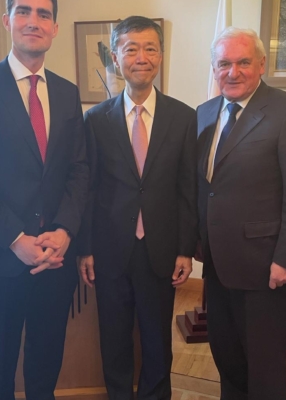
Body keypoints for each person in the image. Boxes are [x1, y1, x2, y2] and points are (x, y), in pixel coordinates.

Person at [0, 0, 88, 399]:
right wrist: (16, 239)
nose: (34, 21)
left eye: (44, 14)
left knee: (46, 364)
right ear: (7, 21)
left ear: (55, 28)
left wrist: (64, 231)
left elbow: (79, 170)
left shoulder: (67, 92)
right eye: (24, 11)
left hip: (54, 260)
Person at [78, 16, 198, 400]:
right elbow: (89, 188)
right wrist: (85, 247)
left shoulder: (184, 117)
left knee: (157, 339)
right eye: (131, 49)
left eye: (149, 48)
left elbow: (187, 189)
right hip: (111, 250)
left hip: (160, 251)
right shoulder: (96, 120)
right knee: (113, 339)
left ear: (161, 55)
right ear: (116, 57)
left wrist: (185, 248)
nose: (141, 57)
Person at [197, 27, 286, 400]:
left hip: (264, 264)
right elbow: (204, 186)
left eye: (243, 62)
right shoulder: (204, 113)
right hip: (216, 262)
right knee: (226, 354)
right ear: (214, 68)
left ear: (261, 64)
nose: (232, 72)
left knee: (263, 366)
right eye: (224, 64)